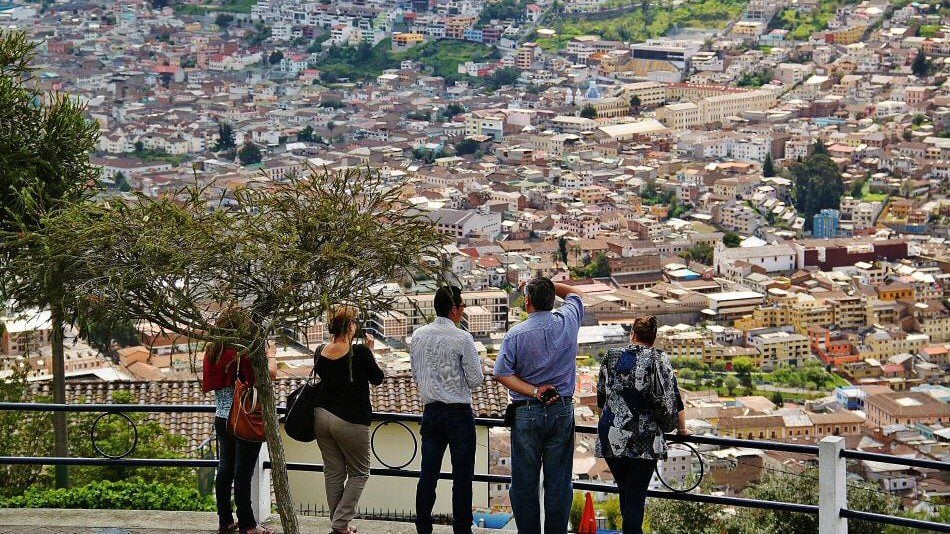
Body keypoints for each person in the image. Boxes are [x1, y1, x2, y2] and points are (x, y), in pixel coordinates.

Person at [493, 277, 584, 534]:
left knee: (524, 483)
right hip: (562, 409)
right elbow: (575, 293)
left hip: (527, 411)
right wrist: (550, 284)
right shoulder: (568, 321)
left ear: (527, 302)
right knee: (559, 483)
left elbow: (501, 373)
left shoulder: (516, 334)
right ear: (552, 299)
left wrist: (534, 391)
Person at [596, 316, 687, 534]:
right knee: (636, 496)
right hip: (643, 438)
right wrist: (682, 429)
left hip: (612, 433)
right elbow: (672, 396)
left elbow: (601, 396)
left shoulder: (611, 355)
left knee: (626, 493)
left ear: (633, 334)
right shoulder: (659, 359)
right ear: (653, 339)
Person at [410, 286, 484, 534]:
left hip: (431, 411)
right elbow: (475, 379)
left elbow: (416, 373)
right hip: (458, 413)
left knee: (428, 472)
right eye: (462, 307)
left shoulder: (418, 335)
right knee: (462, 476)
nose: (462, 312)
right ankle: (462, 528)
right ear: (454, 309)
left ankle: (423, 525)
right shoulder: (462, 338)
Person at [202, 308, 275, 534]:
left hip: (221, 418)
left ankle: (225, 520)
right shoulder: (240, 352)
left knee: (225, 470)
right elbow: (265, 376)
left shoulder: (212, 351)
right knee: (243, 474)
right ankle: (248, 525)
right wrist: (270, 355)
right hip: (242, 420)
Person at [313, 305, 385, 534]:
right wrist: (370, 351)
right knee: (360, 472)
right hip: (351, 420)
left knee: (333, 471)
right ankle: (339, 522)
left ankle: (339, 525)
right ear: (350, 326)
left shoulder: (320, 350)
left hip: (321, 416)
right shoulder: (360, 353)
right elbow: (377, 378)